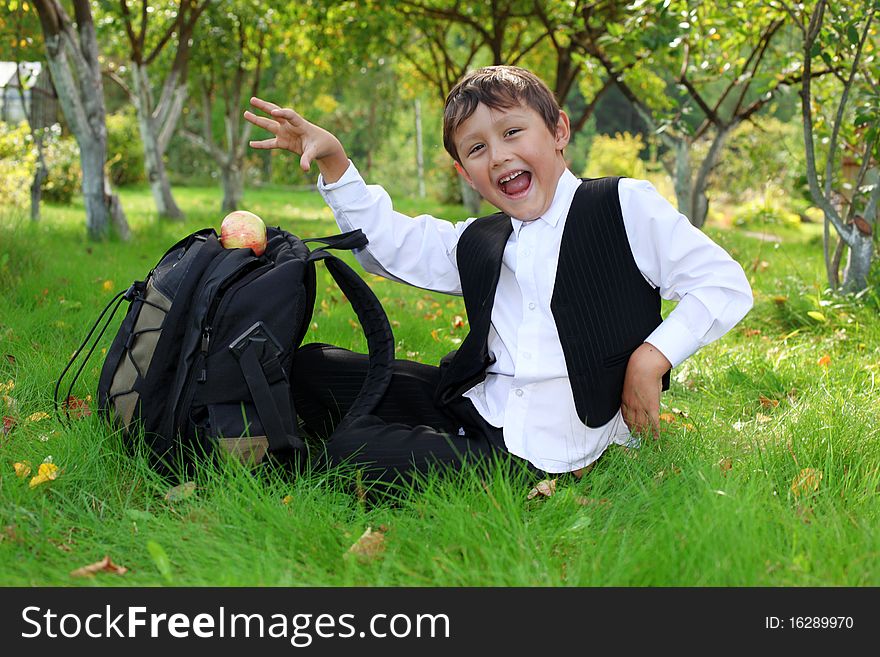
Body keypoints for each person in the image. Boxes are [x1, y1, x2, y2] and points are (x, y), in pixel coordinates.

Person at [243, 65, 753, 485]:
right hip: (477, 408)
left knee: (357, 448)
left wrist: (650, 359)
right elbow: (392, 245)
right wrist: (335, 162)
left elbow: (722, 283)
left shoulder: (620, 205)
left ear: (558, 132)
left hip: (551, 446)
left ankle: (308, 463)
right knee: (313, 368)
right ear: (466, 173)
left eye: (512, 132)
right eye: (477, 148)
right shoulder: (484, 238)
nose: (500, 154)